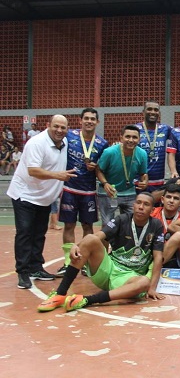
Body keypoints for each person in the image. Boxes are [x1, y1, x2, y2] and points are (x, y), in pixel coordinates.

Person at [37, 193, 165, 312]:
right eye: (138, 203)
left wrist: (152, 288)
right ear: (134, 205)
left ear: (152, 209)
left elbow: (158, 257)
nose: (141, 207)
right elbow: (98, 235)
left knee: (144, 283)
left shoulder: (156, 225)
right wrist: (77, 245)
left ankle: (87, 300)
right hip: (108, 269)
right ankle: (60, 294)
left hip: (129, 278)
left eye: (146, 204)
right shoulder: (122, 219)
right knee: (90, 239)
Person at [7, 115, 77, 289]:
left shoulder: (65, 143)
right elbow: (33, 170)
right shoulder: (37, 143)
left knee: (39, 233)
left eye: (63, 127)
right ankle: (22, 272)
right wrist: (58, 176)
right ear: (48, 126)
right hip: (25, 195)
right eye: (56, 126)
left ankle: (36, 268)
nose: (59, 130)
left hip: (44, 198)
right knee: (25, 233)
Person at [56, 108, 109, 276]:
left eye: (93, 119)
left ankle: (85, 262)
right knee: (69, 225)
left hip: (88, 191)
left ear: (97, 122)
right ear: (80, 121)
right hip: (69, 188)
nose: (89, 121)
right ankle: (67, 262)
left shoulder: (102, 143)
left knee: (88, 226)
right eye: (86, 118)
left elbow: (102, 168)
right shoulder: (69, 136)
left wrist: (96, 168)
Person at [97, 125, 149, 226]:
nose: (131, 140)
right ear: (121, 138)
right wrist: (105, 183)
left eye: (134, 137)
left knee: (131, 224)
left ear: (139, 139)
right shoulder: (109, 152)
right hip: (109, 192)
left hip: (129, 192)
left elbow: (143, 174)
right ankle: (107, 242)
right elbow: (98, 170)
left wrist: (145, 181)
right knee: (108, 225)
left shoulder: (142, 154)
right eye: (127, 136)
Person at [135, 100, 171, 192]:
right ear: (143, 112)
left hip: (158, 182)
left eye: (156, 110)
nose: (153, 112)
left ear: (159, 113)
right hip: (139, 182)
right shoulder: (135, 129)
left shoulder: (165, 129)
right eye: (149, 109)